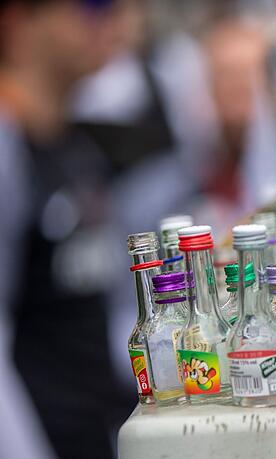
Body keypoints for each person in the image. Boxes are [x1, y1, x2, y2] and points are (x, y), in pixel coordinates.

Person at [0, 0, 131, 457]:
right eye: (91, 6)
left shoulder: (76, 144)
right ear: (19, 20)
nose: (111, 19)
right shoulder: (8, 147)